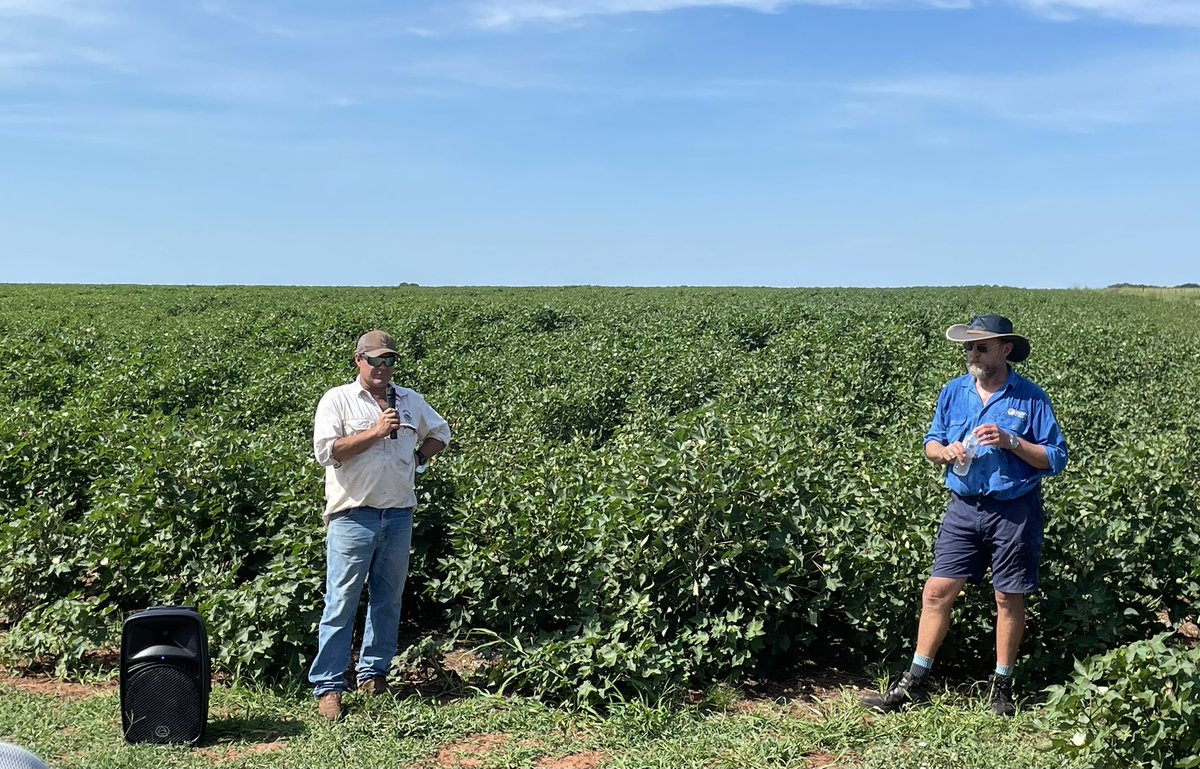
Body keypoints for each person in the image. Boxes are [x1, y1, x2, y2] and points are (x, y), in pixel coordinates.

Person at [862, 314, 1067, 717]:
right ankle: (915, 683)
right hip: (963, 508)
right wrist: (945, 452)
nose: (972, 353)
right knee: (937, 591)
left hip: (1014, 510)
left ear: (1005, 350)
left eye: (981, 347)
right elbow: (932, 443)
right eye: (969, 347)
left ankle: (1001, 688)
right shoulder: (954, 392)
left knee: (1008, 596)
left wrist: (1012, 442)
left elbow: (1055, 457)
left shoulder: (1031, 397)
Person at [308, 330, 451, 721]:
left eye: (389, 361)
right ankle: (329, 686)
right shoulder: (337, 399)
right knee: (341, 603)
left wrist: (418, 459)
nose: (383, 368)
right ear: (359, 361)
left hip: (399, 513)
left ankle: (373, 676)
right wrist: (375, 432)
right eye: (375, 361)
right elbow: (327, 452)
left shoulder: (410, 400)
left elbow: (442, 432)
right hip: (353, 515)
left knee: (387, 600)